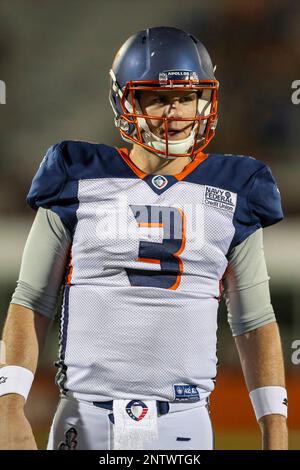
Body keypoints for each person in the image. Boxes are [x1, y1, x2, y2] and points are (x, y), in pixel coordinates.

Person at [0, 26, 288, 450]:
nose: (175, 113)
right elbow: (30, 301)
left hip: (185, 420)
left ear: (205, 99)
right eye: (158, 97)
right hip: (88, 416)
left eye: (187, 97)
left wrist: (276, 429)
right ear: (126, 100)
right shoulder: (76, 175)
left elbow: (255, 320)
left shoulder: (237, 188)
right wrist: (9, 406)